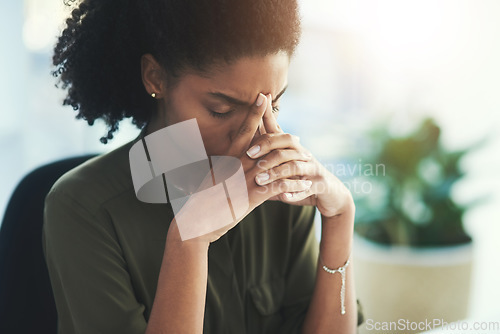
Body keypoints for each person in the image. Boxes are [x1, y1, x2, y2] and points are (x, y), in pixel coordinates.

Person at [42, 0, 365, 333]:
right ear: (156, 77)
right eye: (222, 109)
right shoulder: (83, 209)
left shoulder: (280, 190)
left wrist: (340, 216)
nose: (256, 133)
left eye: (274, 105)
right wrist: (188, 241)